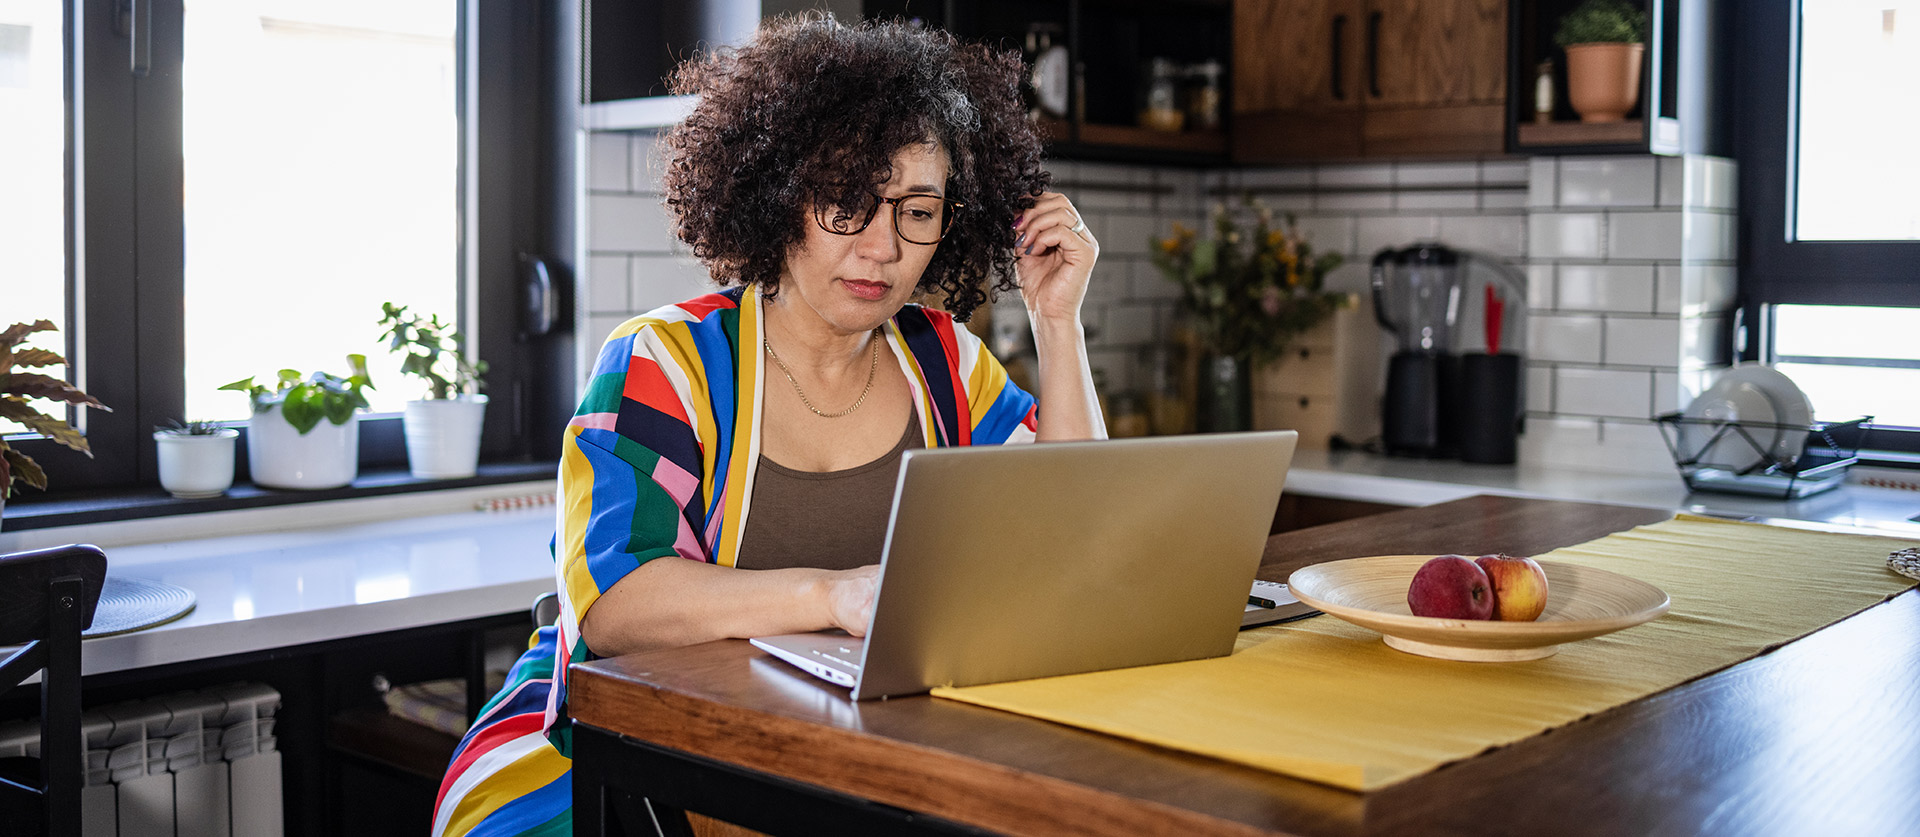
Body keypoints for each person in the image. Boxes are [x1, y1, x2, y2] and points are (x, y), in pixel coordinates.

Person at [431, 15, 1104, 836]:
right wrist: (833, 593)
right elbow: (612, 601)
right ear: (782, 194)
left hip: (840, 753)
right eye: (849, 201)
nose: (884, 247)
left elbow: (1070, 536)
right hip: (606, 764)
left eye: (917, 210)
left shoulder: (945, 364)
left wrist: (1056, 321)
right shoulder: (666, 362)